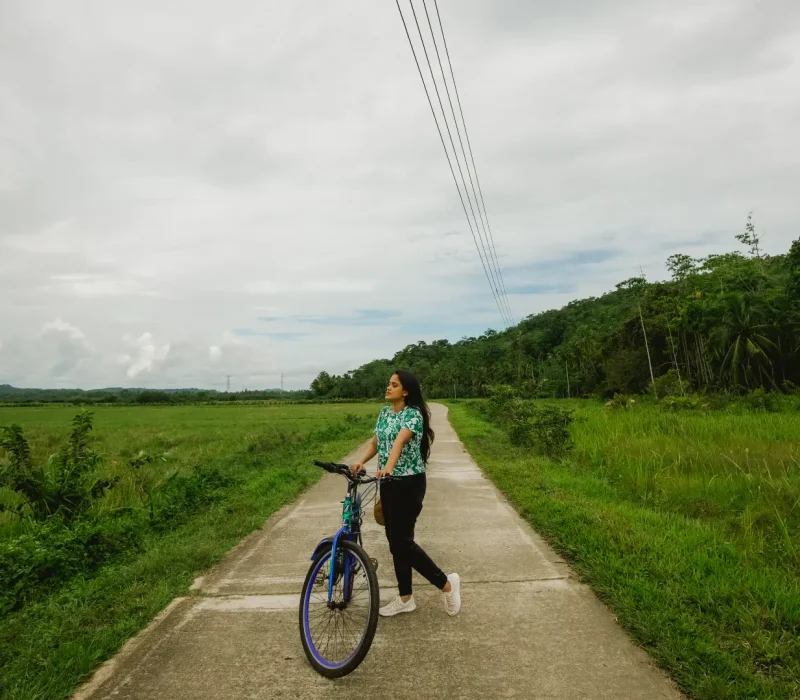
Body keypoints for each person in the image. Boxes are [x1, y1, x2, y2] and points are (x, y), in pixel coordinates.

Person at [350, 369, 461, 617]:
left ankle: (446, 583)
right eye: (388, 383)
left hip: (408, 483)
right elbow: (376, 442)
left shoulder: (413, 415)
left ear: (406, 390)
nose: (388, 387)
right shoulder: (384, 414)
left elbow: (400, 442)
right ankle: (405, 598)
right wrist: (362, 461)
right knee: (395, 543)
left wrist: (388, 467)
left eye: (394, 385)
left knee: (402, 543)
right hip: (389, 483)